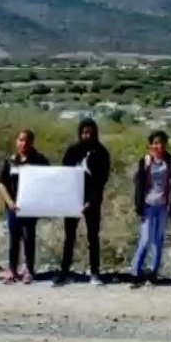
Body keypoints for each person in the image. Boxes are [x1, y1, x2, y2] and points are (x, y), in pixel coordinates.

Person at [60, 117, 111, 286]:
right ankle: (64, 271)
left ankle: (94, 271)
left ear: (95, 133)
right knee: (69, 237)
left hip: (93, 201)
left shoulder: (102, 153)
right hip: (72, 200)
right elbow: (64, 175)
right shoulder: (72, 151)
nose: (86, 135)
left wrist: (91, 200)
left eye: (89, 132)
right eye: (83, 132)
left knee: (92, 237)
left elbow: (102, 180)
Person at [0, 129, 50, 285]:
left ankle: (29, 270)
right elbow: (1, 184)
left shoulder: (40, 160)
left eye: (27, 140)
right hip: (13, 208)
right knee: (13, 239)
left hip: (30, 208)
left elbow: (49, 181)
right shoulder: (10, 161)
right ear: (16, 141)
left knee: (28, 238)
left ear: (32, 142)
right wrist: (10, 202)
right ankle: (12, 270)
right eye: (20, 140)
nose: (23, 143)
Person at [130, 130, 171, 287]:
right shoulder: (145, 161)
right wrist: (138, 205)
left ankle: (153, 273)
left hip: (163, 206)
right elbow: (138, 184)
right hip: (148, 205)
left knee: (158, 241)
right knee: (145, 240)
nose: (160, 146)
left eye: (162, 142)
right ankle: (136, 273)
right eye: (156, 143)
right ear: (150, 145)